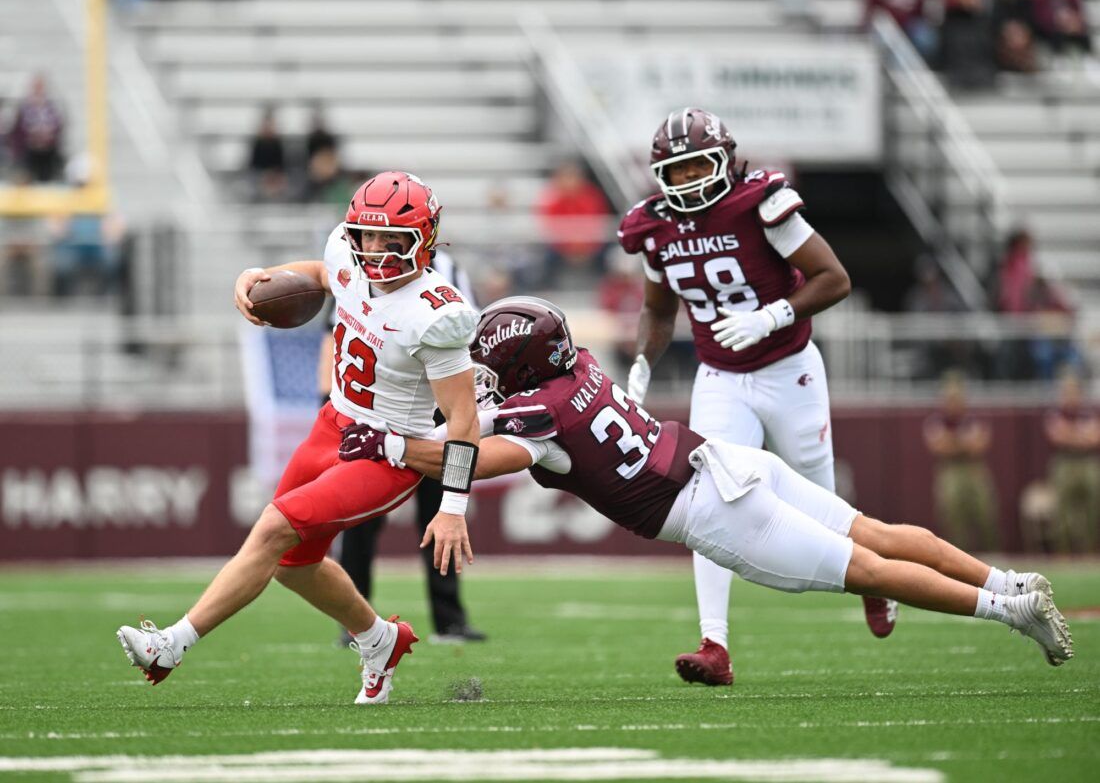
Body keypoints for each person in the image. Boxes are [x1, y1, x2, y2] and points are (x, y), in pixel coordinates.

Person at [339, 297, 1074, 669]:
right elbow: (498, 413)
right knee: (877, 532)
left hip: (714, 509)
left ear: (526, 368)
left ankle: (1008, 611)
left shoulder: (540, 420)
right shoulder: (582, 367)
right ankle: (1009, 579)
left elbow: (467, 455)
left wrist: (389, 441)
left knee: (869, 568)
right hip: (727, 459)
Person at [116, 171, 482, 705]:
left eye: (392, 239)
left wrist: (451, 507)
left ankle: (172, 643)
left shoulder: (439, 314)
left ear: (424, 239)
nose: (375, 250)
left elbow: (464, 421)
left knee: (272, 529)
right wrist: (260, 274)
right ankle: (379, 639)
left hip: (385, 452)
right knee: (294, 565)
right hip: (332, 424)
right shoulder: (346, 252)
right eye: (368, 235)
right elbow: (318, 273)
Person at [618, 107, 895, 689]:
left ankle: (875, 580)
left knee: (821, 495)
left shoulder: (760, 204)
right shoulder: (654, 227)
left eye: (699, 164)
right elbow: (657, 309)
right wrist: (643, 360)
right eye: (678, 169)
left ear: (723, 160)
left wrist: (773, 315)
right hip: (719, 375)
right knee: (706, 499)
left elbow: (834, 277)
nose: (690, 179)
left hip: (788, 366)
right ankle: (713, 642)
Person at [321, 249, 487, 644]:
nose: (384, 246)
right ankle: (355, 619)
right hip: (375, 411)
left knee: (442, 513)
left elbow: (470, 344)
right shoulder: (361, 268)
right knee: (359, 521)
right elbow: (336, 333)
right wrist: (327, 399)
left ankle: (449, 618)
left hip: (434, 410)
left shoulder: (448, 276)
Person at [922, 372, 999, 551]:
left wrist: (953, 441)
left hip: (974, 469)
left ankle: (992, 556)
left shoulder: (974, 419)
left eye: (957, 398)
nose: (953, 403)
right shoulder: (936, 421)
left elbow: (979, 446)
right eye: (949, 398)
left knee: (985, 513)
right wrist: (963, 441)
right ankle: (959, 557)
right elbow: (939, 447)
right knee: (953, 516)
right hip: (950, 470)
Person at [1044, 370, 1100, 552]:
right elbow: (1057, 436)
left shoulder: (1089, 413)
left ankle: (1091, 552)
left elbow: (1095, 438)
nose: (1070, 396)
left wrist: (1070, 433)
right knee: (1063, 511)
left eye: (1073, 391)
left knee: (1093, 508)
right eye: (1066, 392)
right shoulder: (1055, 414)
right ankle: (1064, 552)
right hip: (1064, 463)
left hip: (1087, 462)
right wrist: (1081, 434)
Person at [8, 73, 64, 183]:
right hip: (28, 150)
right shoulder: (24, 107)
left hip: (47, 150)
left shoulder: (50, 107)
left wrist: (47, 134)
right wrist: (33, 135)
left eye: (40, 86)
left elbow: (57, 125)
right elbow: (18, 130)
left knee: (48, 167)